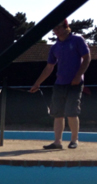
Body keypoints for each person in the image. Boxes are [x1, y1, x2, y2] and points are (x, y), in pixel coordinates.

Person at [30, 19, 91, 149]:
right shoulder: (54, 47)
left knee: (71, 112)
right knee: (57, 113)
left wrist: (78, 76)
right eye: (54, 29)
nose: (56, 31)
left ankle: (74, 140)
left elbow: (87, 58)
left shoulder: (77, 40)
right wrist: (37, 84)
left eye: (58, 28)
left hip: (75, 83)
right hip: (59, 84)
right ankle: (57, 142)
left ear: (66, 27)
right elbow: (49, 67)